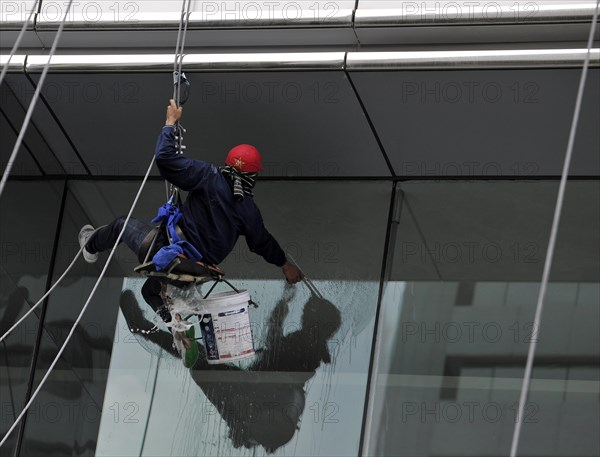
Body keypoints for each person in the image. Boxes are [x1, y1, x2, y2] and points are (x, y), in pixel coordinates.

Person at [78, 99, 304, 347]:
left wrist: (170, 124)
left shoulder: (209, 176)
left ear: (229, 164)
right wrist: (285, 265)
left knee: (121, 225)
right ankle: (174, 326)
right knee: (150, 291)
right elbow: (263, 242)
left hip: (165, 250)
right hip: (196, 271)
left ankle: (89, 246)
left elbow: (164, 159)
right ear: (253, 176)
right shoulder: (248, 211)